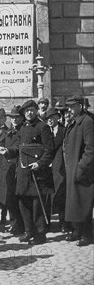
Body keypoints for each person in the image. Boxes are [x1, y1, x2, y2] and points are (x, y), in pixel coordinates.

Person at [0, 99, 54, 245]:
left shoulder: (43, 127)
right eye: (27, 111)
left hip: (37, 174)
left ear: (36, 111)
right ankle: (29, 231)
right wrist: (7, 151)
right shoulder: (23, 128)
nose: (29, 113)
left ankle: (40, 234)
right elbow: (20, 149)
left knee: (37, 205)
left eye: (32, 110)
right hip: (23, 172)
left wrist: (40, 164)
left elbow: (49, 150)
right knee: (23, 203)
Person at [63, 95, 94, 247]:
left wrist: (81, 168)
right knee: (74, 203)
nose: (69, 109)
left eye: (72, 106)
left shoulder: (87, 122)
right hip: (72, 168)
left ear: (80, 106)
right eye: (68, 107)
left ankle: (87, 235)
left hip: (82, 171)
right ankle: (77, 230)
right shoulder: (74, 121)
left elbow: (90, 149)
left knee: (84, 204)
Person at [0, 105, 24, 236]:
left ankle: (20, 225)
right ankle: (15, 224)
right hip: (8, 169)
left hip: (20, 167)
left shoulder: (23, 131)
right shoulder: (10, 132)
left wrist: (8, 152)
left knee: (19, 199)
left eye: (16, 117)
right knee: (10, 198)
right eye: (12, 117)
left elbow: (19, 148)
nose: (14, 120)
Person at [45, 106, 67, 232]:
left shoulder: (64, 131)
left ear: (58, 118)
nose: (50, 120)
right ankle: (47, 224)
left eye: (52, 118)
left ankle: (63, 223)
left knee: (61, 195)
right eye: (48, 118)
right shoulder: (45, 131)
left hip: (60, 167)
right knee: (47, 196)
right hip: (47, 168)